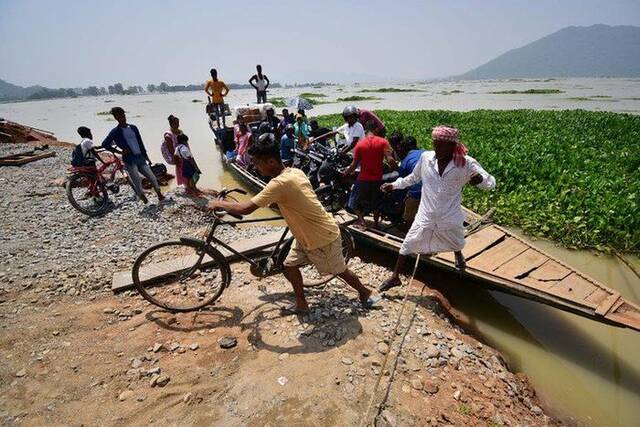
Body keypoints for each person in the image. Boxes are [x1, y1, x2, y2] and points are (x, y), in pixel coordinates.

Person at [207, 134, 381, 314]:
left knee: (339, 270)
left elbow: (245, 209)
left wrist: (218, 203)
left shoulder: (279, 184)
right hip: (304, 234)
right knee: (289, 265)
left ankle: (365, 293)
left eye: (258, 163)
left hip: (321, 236)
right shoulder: (294, 171)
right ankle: (301, 304)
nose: (256, 167)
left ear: (272, 162)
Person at [379, 126, 496, 292]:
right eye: (434, 144)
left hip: (449, 212)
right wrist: (394, 185)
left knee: (456, 238)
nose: (436, 148)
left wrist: (480, 180)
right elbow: (413, 177)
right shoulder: (427, 158)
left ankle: (458, 254)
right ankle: (395, 277)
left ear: (452, 146)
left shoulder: (466, 163)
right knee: (408, 243)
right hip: (426, 212)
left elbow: (491, 183)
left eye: (440, 145)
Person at [101, 107, 164, 204]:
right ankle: (145, 200)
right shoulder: (115, 131)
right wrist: (119, 152)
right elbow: (105, 144)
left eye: (123, 115)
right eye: (118, 116)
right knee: (137, 181)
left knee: (152, 177)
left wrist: (146, 155)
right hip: (129, 159)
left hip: (140, 157)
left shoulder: (133, 127)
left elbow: (140, 142)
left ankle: (160, 195)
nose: (122, 117)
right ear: (115, 118)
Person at [342, 120, 397, 229]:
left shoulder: (360, 145)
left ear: (365, 130)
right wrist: (397, 170)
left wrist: (345, 173)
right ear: (376, 129)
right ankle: (376, 224)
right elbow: (390, 160)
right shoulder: (383, 142)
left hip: (363, 178)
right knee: (375, 203)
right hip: (377, 178)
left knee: (353, 202)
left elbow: (353, 165)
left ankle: (362, 221)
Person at [396, 136, 425, 227]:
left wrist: (400, 202)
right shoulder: (426, 153)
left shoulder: (406, 161)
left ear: (404, 149)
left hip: (417, 193)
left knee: (410, 216)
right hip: (433, 191)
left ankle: (409, 228)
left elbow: (402, 186)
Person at [161, 115, 187, 187]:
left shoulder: (180, 131)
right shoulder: (168, 135)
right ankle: (184, 185)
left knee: (187, 169)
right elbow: (171, 149)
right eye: (175, 123)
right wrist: (175, 158)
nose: (177, 125)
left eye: (178, 123)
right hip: (177, 156)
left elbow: (185, 142)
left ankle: (188, 185)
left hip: (184, 154)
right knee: (181, 170)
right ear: (171, 124)